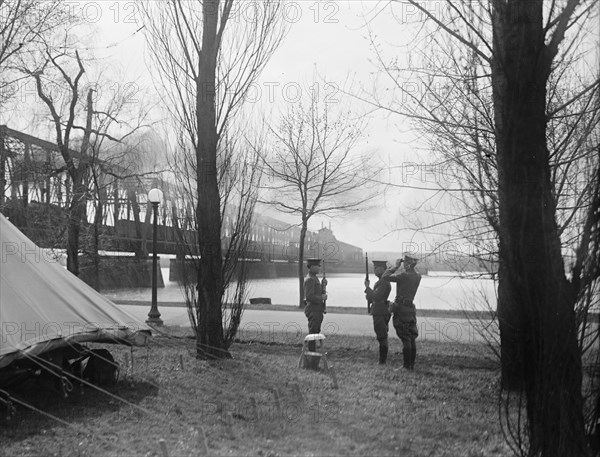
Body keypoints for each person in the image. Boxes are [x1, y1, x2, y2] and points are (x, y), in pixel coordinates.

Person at [382, 254, 421, 370]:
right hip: (410, 309)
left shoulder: (404, 275)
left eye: (404, 262)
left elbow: (385, 277)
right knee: (411, 337)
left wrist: (395, 267)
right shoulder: (418, 276)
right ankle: (411, 365)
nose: (403, 264)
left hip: (402, 309)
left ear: (408, 263)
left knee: (405, 338)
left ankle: (406, 366)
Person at [364, 260, 392, 364]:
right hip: (380, 310)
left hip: (380, 311)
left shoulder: (384, 282)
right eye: (374, 268)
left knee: (382, 336)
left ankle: (382, 361)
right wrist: (369, 295)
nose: (375, 270)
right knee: (381, 335)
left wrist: (367, 287)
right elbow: (374, 297)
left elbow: (377, 296)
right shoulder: (381, 281)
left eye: (377, 268)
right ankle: (382, 360)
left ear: (383, 269)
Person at [303, 258, 328, 355]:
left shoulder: (314, 278)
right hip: (313, 310)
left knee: (316, 332)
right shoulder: (310, 279)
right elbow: (309, 297)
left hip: (317, 310)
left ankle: (313, 354)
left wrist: (323, 285)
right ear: (312, 267)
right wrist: (321, 297)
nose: (319, 268)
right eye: (318, 266)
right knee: (313, 334)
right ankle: (311, 355)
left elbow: (316, 291)